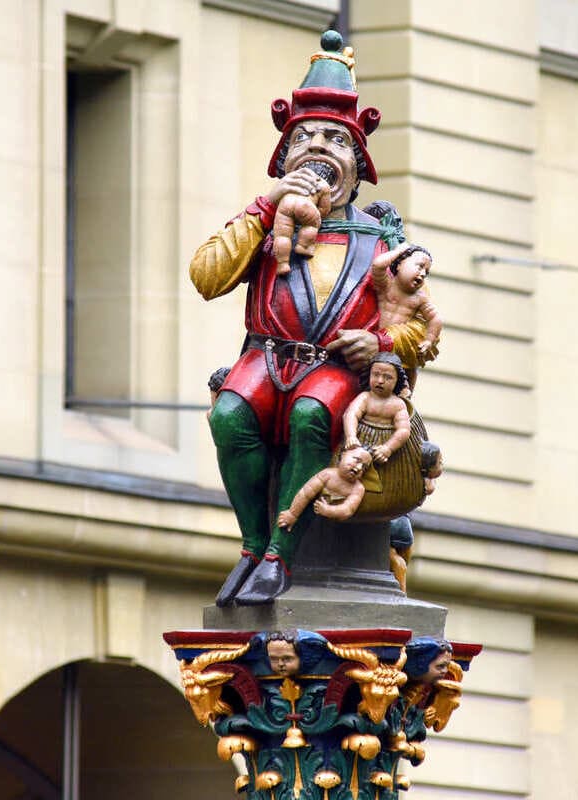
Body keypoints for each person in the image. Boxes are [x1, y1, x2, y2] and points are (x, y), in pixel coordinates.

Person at [189, 31, 432, 606]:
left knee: (308, 416)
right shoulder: (266, 221)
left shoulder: (382, 242)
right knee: (229, 416)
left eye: (334, 140)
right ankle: (251, 545)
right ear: (285, 158)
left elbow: (417, 327)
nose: (318, 148)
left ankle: (280, 552)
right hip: (267, 355)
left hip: (333, 372)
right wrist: (263, 208)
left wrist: (380, 342)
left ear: (356, 161)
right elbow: (205, 277)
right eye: (304, 138)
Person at [277, 445, 372, 530]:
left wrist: (328, 510)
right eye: (357, 460)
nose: (359, 468)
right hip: (313, 519)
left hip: (339, 528)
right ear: (343, 454)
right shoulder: (327, 474)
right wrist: (293, 514)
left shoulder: (358, 489)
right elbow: (305, 493)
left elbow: (347, 510)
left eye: (364, 467)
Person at [371, 243, 442, 358]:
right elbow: (378, 265)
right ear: (399, 265)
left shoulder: (420, 298)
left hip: (394, 347)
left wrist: (429, 340)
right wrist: (397, 251)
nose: (423, 274)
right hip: (372, 338)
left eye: (426, 272)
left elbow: (435, 318)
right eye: (420, 266)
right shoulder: (386, 285)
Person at [343, 353, 411, 465]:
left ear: (397, 380)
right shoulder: (365, 398)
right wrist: (351, 436)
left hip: (385, 447)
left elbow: (404, 430)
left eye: (387, 377)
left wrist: (388, 448)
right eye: (375, 375)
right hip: (359, 442)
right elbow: (350, 415)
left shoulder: (398, 404)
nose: (380, 380)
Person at [272, 181, 331, 275]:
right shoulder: (323, 184)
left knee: (282, 236)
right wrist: (315, 216)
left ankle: (282, 264)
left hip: (286, 203)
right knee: (313, 224)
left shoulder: (296, 178)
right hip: (305, 204)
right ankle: (303, 246)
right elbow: (324, 209)